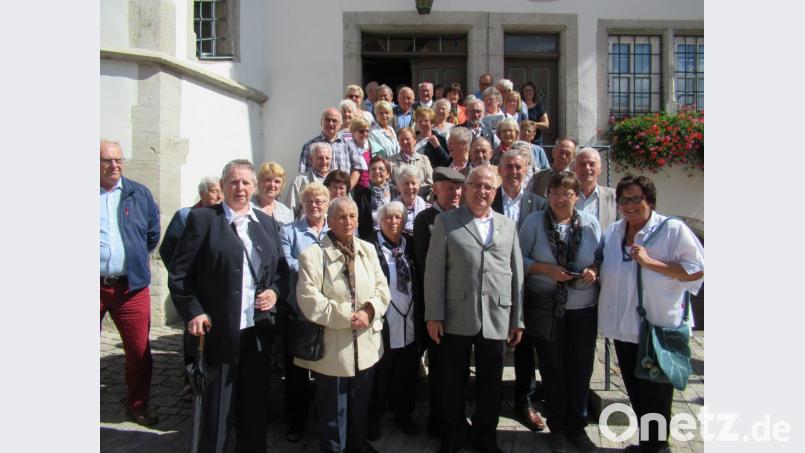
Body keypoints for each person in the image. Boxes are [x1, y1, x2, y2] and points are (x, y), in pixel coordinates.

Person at [169, 159, 289, 453]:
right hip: (218, 332)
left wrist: (274, 292)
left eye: (246, 182)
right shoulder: (203, 221)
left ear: (254, 187)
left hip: (257, 332)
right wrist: (193, 310)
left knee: (253, 404)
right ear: (222, 186)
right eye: (234, 182)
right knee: (217, 408)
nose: (240, 188)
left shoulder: (267, 224)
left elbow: (281, 272)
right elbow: (180, 274)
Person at [598, 175, 704, 453]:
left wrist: (651, 262)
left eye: (636, 199)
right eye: (624, 200)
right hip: (624, 328)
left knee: (656, 395)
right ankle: (648, 444)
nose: (629, 205)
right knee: (636, 391)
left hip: (657, 329)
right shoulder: (613, 232)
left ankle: (658, 447)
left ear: (650, 201)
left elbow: (697, 270)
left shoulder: (672, 230)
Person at [425, 166, 525, 453]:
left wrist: (517, 318)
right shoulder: (446, 222)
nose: (482, 191)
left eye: (488, 187)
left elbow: (516, 273)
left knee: (491, 383)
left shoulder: (508, 225)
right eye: (476, 185)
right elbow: (434, 273)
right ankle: (454, 432)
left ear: (495, 192)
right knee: (452, 381)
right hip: (456, 315)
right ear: (466, 189)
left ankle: (485, 436)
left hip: (496, 316)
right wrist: (434, 315)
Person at [295, 196, 391, 453]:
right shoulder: (312, 255)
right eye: (340, 216)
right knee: (333, 408)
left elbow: (382, 288)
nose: (347, 221)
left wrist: (369, 311)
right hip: (333, 346)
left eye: (352, 216)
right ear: (329, 218)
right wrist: (348, 315)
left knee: (360, 403)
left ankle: (357, 445)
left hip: (366, 342)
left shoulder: (368, 250)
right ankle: (334, 448)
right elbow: (308, 299)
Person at [519, 171, 602, 453]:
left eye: (566, 193)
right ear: (547, 195)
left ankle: (577, 427)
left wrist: (593, 271)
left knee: (580, 369)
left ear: (576, 196)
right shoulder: (534, 222)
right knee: (553, 369)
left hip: (582, 309)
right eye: (554, 193)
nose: (559, 198)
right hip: (546, 307)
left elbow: (601, 260)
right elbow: (519, 259)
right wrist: (547, 270)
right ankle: (557, 427)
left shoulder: (590, 223)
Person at [100, 140, 161, 426]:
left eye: (118, 159)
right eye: (106, 160)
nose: (114, 165)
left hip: (131, 287)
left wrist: (132, 258)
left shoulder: (139, 193)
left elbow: (152, 234)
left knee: (138, 350)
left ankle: (137, 404)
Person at [488, 150, 549, 432]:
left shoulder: (539, 204)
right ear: (499, 170)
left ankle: (524, 401)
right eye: (508, 166)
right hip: (492, 284)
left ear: (527, 170)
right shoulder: (488, 198)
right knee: (492, 345)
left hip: (528, 285)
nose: (513, 172)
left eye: (519, 167)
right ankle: (488, 399)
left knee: (525, 345)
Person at [411, 167, 464, 438]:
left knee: (457, 369)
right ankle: (438, 420)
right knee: (440, 367)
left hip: (461, 308)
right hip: (435, 306)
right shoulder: (424, 220)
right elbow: (423, 267)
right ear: (436, 189)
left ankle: (453, 418)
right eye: (449, 187)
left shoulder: (464, 216)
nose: (455, 192)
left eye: (458, 187)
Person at [280, 183, 331, 443]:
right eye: (310, 201)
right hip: (299, 310)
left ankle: (326, 422)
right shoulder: (290, 231)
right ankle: (296, 422)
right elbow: (287, 262)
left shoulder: (335, 231)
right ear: (303, 204)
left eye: (320, 200)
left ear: (327, 204)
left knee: (326, 368)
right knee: (297, 370)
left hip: (329, 311)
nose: (315, 205)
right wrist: (317, 272)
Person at [366, 201, 421, 441]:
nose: (394, 221)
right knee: (380, 372)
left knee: (406, 371)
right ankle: (373, 418)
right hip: (383, 321)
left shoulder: (411, 245)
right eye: (388, 217)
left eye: (398, 217)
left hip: (409, 319)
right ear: (380, 221)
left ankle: (403, 413)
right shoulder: (370, 247)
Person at [160, 176, 223, 269]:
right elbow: (167, 250)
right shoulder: (185, 215)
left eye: (222, 192)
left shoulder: (226, 217)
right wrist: (179, 277)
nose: (220, 197)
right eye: (214, 191)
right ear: (202, 194)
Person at [299, 107, 367, 189]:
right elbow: (303, 173)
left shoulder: (349, 145)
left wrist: (346, 190)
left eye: (334, 121)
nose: (331, 123)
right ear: (321, 122)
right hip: (318, 196)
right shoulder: (309, 146)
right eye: (327, 120)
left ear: (340, 124)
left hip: (341, 196)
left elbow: (357, 169)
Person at [574, 147, 618, 231]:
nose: (587, 168)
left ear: (599, 169)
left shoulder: (614, 196)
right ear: (575, 169)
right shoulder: (566, 196)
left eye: (592, 164)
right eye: (582, 164)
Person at [283, 142, 332, 219]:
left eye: (327, 158)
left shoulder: (338, 181)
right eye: (320, 158)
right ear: (311, 159)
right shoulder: (300, 180)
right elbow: (289, 212)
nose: (324, 162)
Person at [354, 156, 398, 239]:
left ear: (388, 173)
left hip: (393, 239)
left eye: (381, 169)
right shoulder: (360, 196)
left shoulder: (396, 193)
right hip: (369, 241)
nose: (377, 171)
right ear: (369, 173)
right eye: (373, 169)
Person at [390, 127, 434, 195]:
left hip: (421, 200)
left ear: (414, 140)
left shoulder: (424, 159)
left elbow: (430, 182)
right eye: (402, 140)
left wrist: (414, 190)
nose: (405, 142)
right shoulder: (390, 161)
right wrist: (402, 190)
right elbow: (388, 183)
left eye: (407, 139)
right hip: (398, 201)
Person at [393, 166, 430, 234]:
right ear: (398, 187)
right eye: (406, 183)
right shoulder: (390, 211)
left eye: (413, 183)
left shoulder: (428, 209)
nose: (410, 187)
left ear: (419, 185)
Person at [348, 117, 373, 189]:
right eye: (361, 131)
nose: (365, 134)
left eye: (367, 131)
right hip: (355, 189)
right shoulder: (348, 148)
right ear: (353, 132)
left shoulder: (370, 146)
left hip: (370, 188)